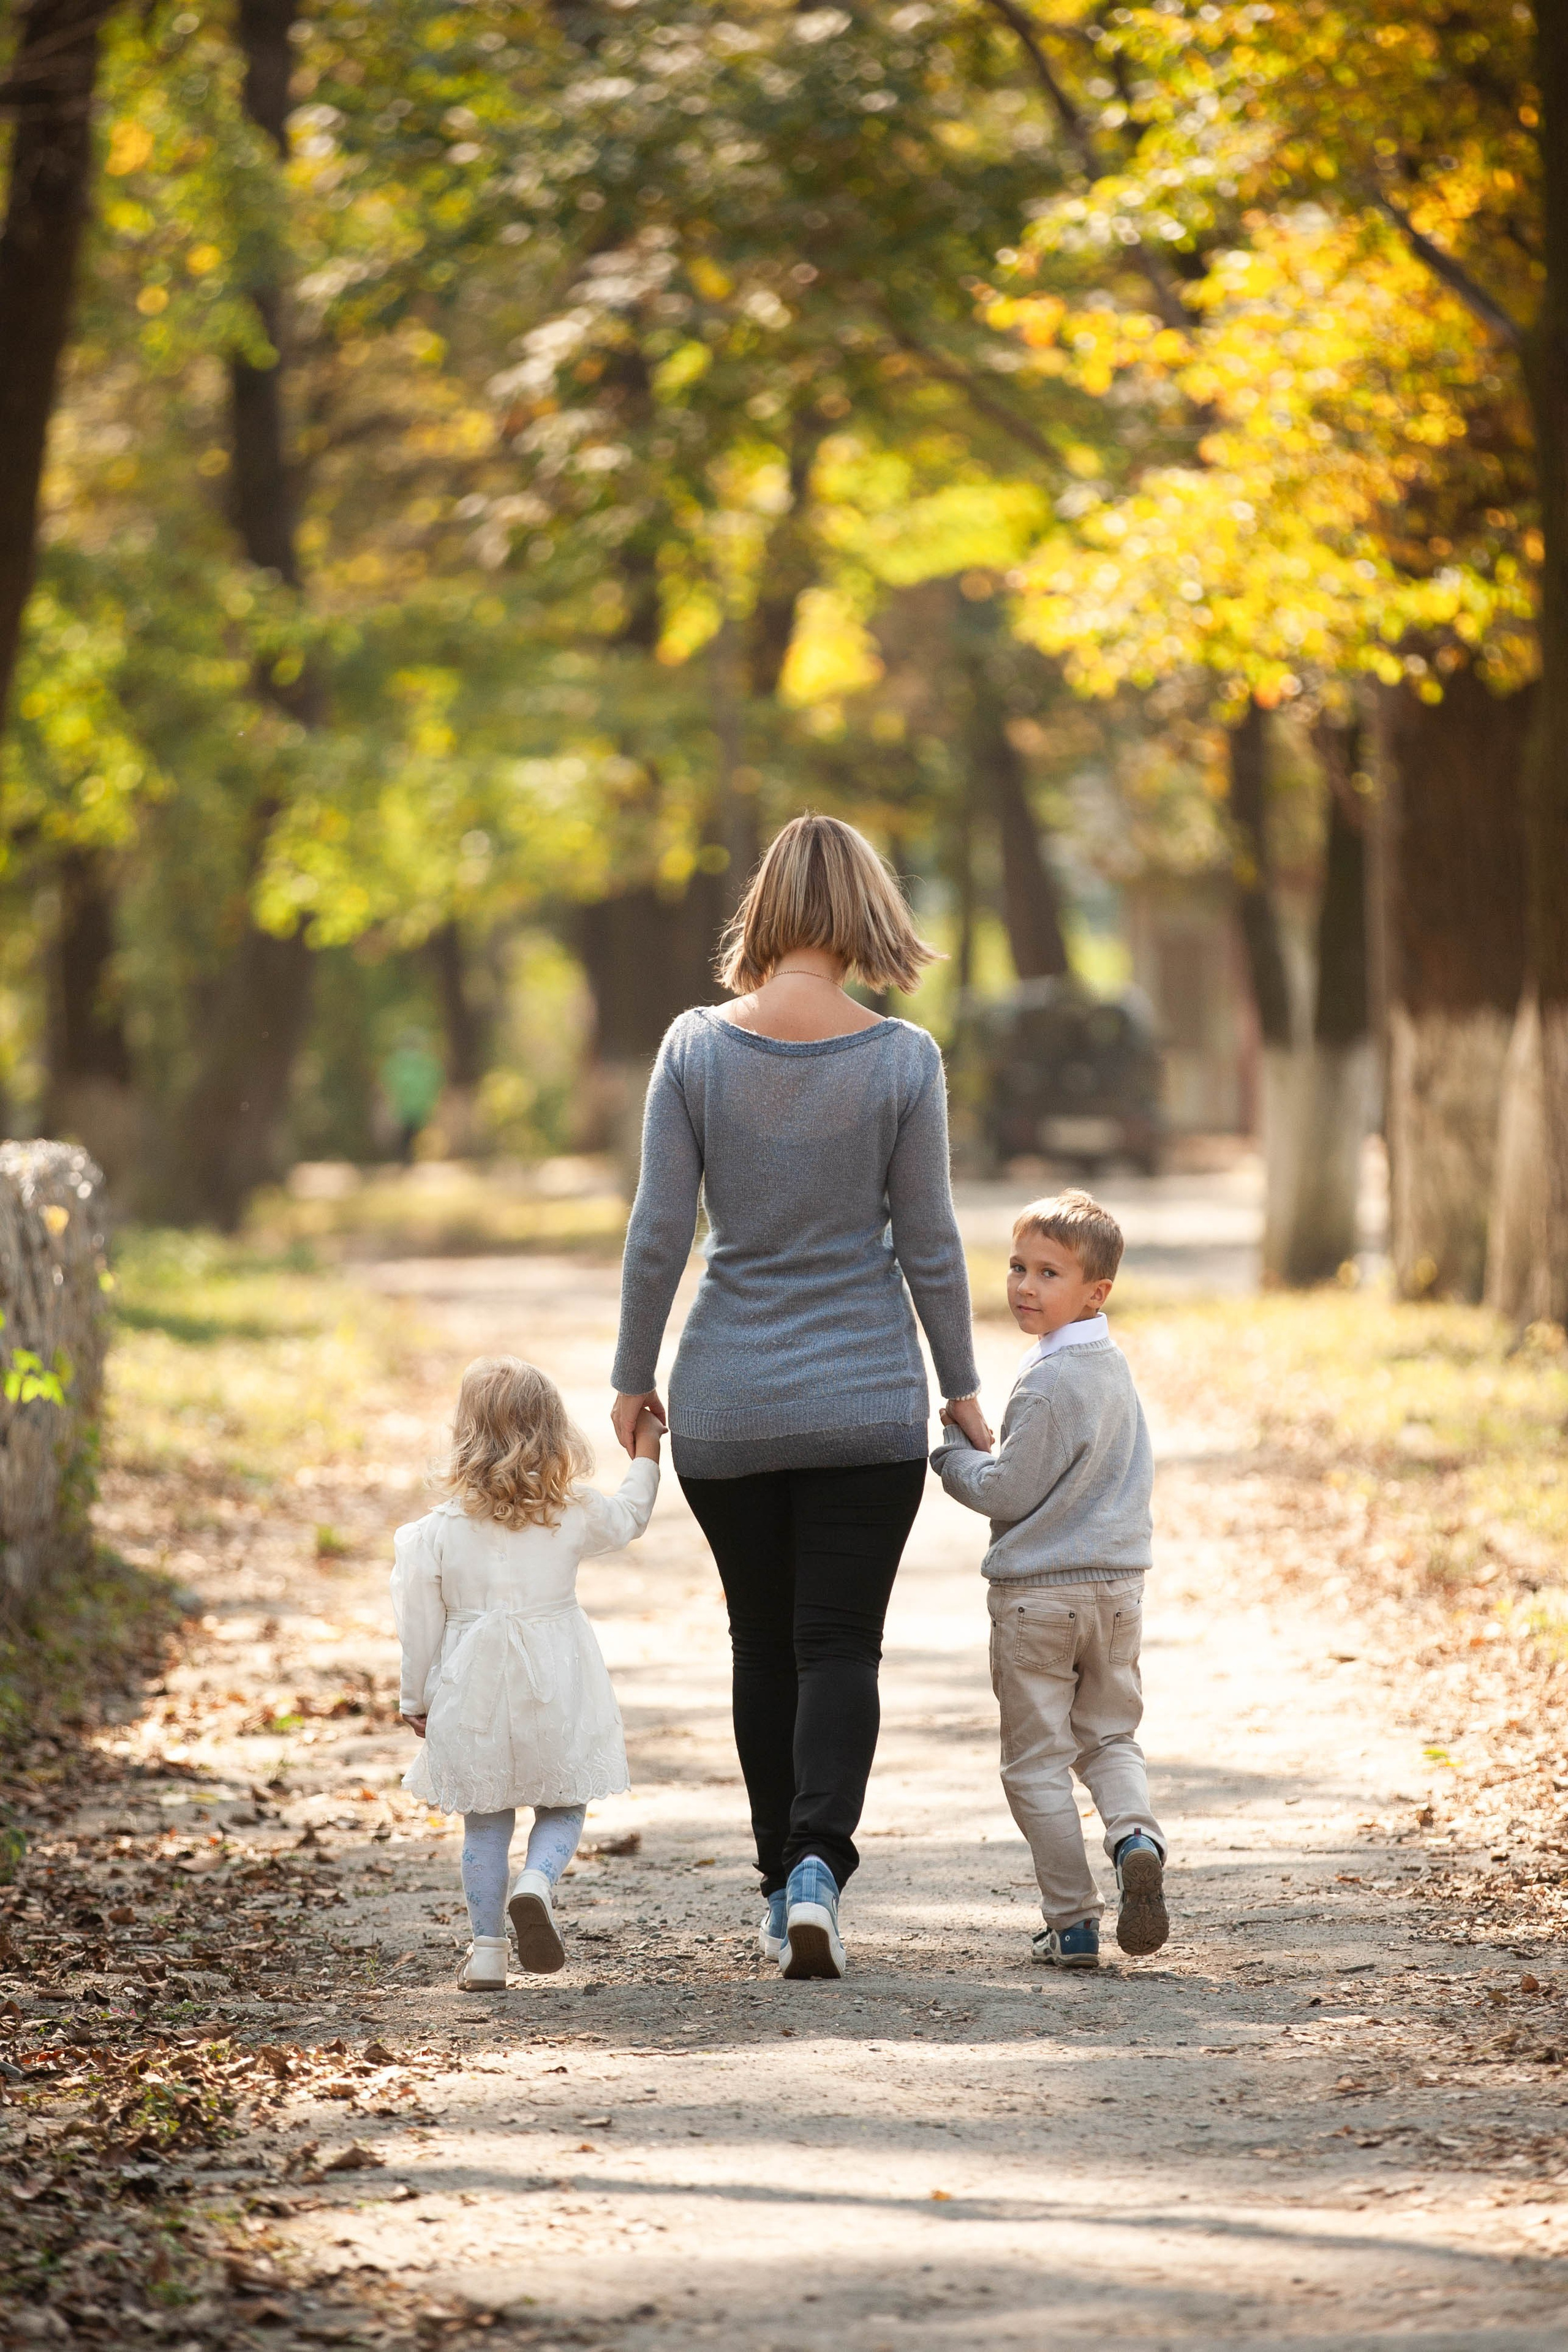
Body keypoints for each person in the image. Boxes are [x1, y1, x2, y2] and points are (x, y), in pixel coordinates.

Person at [610, 812, 989, 1981]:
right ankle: (821, 1862)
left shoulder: (693, 1050)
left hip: (728, 1403)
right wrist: (965, 1388)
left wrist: (634, 1375)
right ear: (868, 916)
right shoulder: (902, 1058)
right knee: (840, 1647)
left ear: (763, 912)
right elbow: (929, 1243)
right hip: (867, 1400)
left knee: (760, 1646)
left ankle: (780, 1887)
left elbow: (659, 1230)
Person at [931, 1189, 1169, 1969]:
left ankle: (1072, 1923)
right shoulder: (1112, 1368)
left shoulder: (1045, 1384)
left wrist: (949, 1455)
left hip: (1039, 1599)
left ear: (1095, 1293)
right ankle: (1135, 1836)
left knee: (1036, 1764)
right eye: (1016, 1267)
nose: (1024, 1286)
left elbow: (1004, 1491)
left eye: (1048, 1274)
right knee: (1109, 1736)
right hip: (1117, 1591)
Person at [393, 1355, 661, 1990]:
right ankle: (537, 1881)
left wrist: (415, 1694)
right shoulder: (570, 1513)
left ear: (464, 1435)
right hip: (557, 1676)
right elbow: (632, 1514)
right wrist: (647, 1450)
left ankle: (486, 1952)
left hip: (471, 1684)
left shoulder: (434, 1534)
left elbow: (419, 1623)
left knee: (485, 1822)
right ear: (554, 1432)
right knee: (564, 1802)